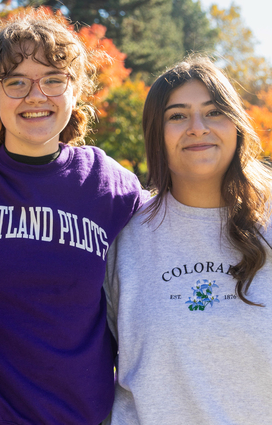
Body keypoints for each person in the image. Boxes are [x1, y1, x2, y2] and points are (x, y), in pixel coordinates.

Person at [0, 10, 145, 425]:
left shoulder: (108, 183)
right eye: (16, 81)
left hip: (80, 416)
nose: (36, 96)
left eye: (53, 80)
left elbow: (185, 212)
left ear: (76, 91)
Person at [105, 56, 272, 424]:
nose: (197, 128)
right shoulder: (124, 233)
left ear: (237, 125)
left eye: (213, 113)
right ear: (156, 133)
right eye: (177, 116)